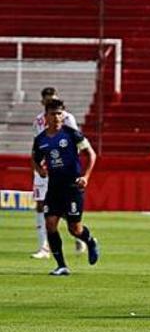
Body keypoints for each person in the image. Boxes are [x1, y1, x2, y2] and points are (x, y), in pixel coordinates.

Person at [31, 99, 100, 276]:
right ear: (45, 116)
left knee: (74, 229)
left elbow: (91, 154)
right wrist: (40, 170)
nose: (56, 117)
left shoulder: (72, 134)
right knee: (50, 224)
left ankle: (90, 241)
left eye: (59, 113)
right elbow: (35, 159)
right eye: (53, 114)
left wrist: (85, 177)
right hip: (54, 187)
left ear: (64, 115)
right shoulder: (41, 139)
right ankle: (61, 265)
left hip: (72, 187)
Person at [31, 87, 87, 259]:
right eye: (47, 100)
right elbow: (38, 147)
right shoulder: (38, 121)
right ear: (43, 102)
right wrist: (39, 166)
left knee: (61, 208)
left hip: (63, 171)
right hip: (45, 168)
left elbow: (74, 143)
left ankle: (77, 234)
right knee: (40, 204)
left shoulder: (67, 118)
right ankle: (44, 247)